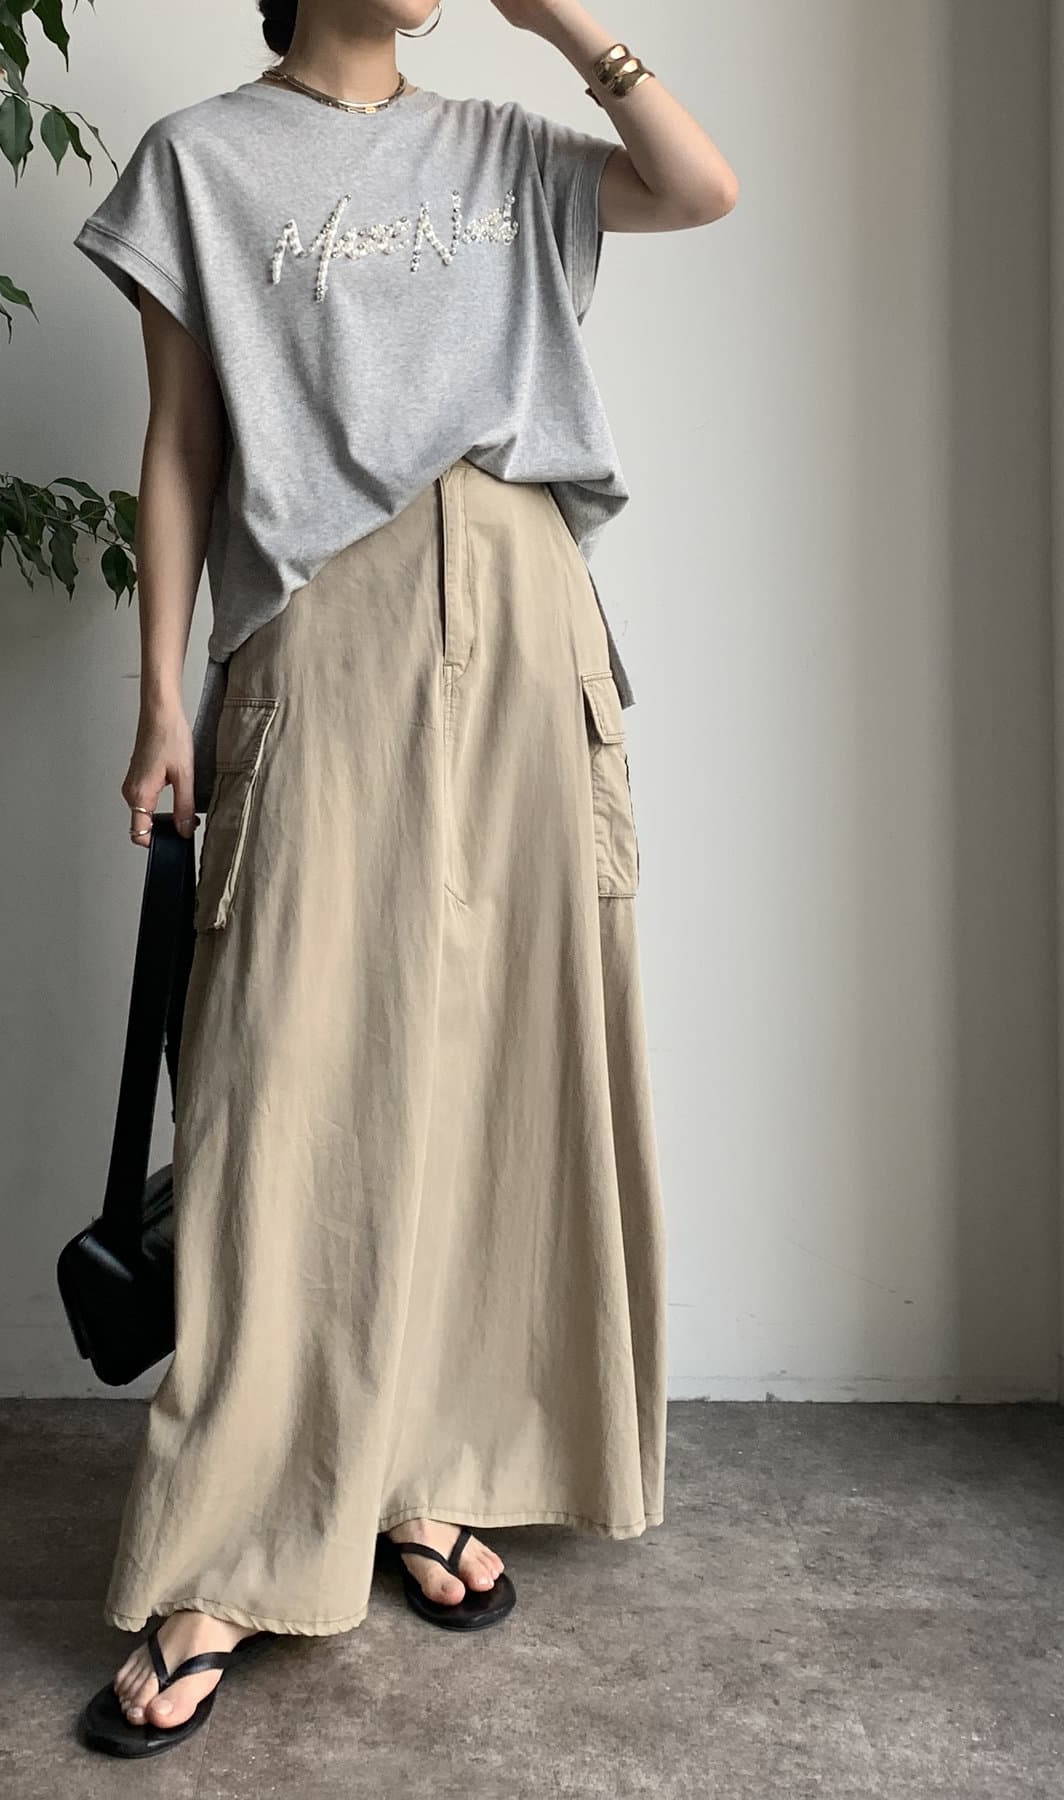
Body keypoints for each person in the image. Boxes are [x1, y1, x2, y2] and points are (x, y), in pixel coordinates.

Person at [71, 0, 737, 1759]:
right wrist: (163, 697)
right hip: (324, 624)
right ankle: (227, 1547)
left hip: (527, 608)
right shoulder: (203, 161)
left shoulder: (507, 145)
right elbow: (181, 443)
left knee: (497, 1061)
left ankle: (426, 1468)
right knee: (283, 1076)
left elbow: (703, 188)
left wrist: (559, 21)